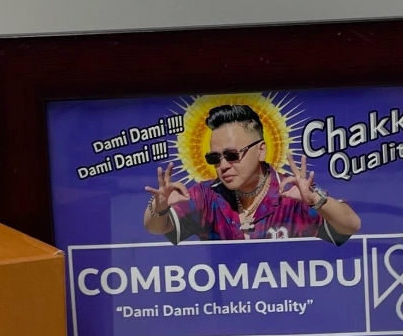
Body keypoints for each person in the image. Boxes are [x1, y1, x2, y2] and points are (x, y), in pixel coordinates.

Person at [141, 103, 361, 245]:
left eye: (232, 155)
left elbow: (351, 224)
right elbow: (157, 227)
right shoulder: (207, 196)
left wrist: (315, 200)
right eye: (215, 158)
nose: (223, 165)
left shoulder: (293, 194)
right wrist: (159, 207)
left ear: (261, 150)